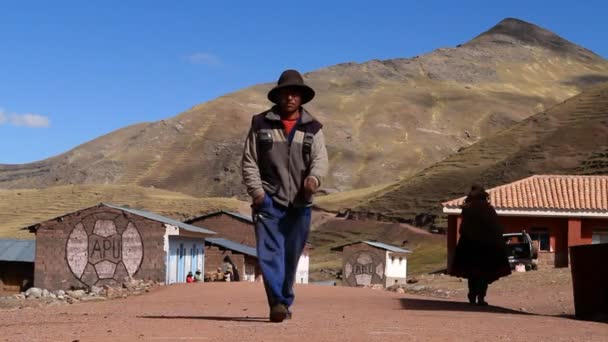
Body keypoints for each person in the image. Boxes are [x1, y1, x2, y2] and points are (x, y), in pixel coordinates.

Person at [241, 69, 328, 322]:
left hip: (300, 204)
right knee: (270, 254)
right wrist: (258, 194)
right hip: (269, 202)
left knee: (291, 256)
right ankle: (277, 303)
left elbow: (320, 160)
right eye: (286, 93)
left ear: (302, 98)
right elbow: (249, 161)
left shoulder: (313, 128)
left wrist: (314, 180)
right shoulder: (260, 124)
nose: (290, 97)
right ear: (278, 96)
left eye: (295, 94)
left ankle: (285, 298)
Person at [451, 184, 511, 305]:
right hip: (486, 248)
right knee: (484, 273)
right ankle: (481, 297)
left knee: (472, 274)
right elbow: (496, 228)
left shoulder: (467, 209)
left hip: (470, 248)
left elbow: (462, 229)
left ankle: (472, 295)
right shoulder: (489, 209)